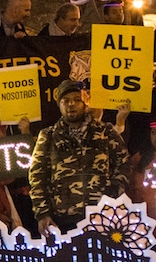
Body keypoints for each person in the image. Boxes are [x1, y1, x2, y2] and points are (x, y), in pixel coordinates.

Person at [28, 80, 129, 234]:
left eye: (76, 100)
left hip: (103, 214)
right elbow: (37, 177)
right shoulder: (48, 136)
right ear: (59, 104)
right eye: (66, 101)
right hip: (63, 219)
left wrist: (114, 191)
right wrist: (43, 213)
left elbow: (124, 162)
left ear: (85, 102)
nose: (71, 104)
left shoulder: (105, 131)